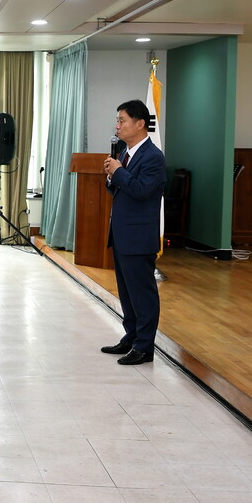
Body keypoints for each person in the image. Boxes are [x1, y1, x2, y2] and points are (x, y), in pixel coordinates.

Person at [101, 99, 167, 365]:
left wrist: (118, 172)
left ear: (140, 124)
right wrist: (111, 176)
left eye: (122, 120)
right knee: (127, 292)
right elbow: (121, 190)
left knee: (142, 293)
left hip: (139, 237)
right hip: (122, 233)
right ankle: (131, 337)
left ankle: (144, 346)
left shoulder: (153, 156)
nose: (117, 126)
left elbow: (141, 190)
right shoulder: (126, 154)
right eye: (117, 120)